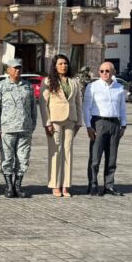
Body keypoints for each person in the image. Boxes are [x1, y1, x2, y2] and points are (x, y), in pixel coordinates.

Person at [0, 58, 37, 198]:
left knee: (23, 158)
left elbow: (33, 107)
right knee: (7, 158)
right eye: (15, 68)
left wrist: (33, 124)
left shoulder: (27, 86)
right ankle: (9, 186)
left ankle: (18, 186)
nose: (18, 70)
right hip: (7, 128)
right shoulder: (1, 86)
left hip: (25, 128)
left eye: (19, 68)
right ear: (8, 70)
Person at [39, 54, 82, 198]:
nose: (64, 66)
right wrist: (47, 122)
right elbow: (43, 104)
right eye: (61, 64)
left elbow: (78, 103)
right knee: (55, 151)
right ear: (55, 66)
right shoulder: (48, 81)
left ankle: (66, 185)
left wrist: (79, 121)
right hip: (55, 120)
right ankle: (55, 184)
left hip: (71, 119)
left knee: (68, 152)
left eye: (66, 63)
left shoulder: (74, 82)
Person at [83, 61, 127, 197]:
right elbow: (86, 107)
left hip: (114, 123)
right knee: (95, 157)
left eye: (107, 71)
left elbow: (122, 108)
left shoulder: (119, 88)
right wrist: (88, 126)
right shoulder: (92, 87)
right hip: (99, 122)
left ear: (113, 72)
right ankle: (93, 184)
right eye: (102, 71)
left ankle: (109, 185)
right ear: (99, 73)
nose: (104, 74)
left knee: (112, 157)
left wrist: (124, 124)